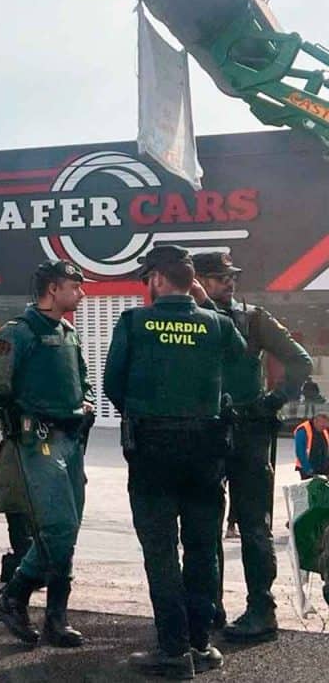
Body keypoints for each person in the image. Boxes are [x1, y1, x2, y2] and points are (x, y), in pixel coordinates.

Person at [105, 245, 246, 679]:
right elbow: (242, 367)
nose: (148, 285)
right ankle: (201, 644)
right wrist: (204, 306)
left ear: (159, 280)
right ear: (192, 283)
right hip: (206, 451)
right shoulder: (218, 325)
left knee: (161, 550)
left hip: (152, 452)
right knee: (204, 548)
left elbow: (113, 385)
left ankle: (173, 648)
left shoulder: (133, 322)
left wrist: (149, 412)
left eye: (149, 278)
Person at [192, 249, 313, 642]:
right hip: (206, 432)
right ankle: (208, 607)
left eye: (230, 277)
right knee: (203, 525)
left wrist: (274, 401)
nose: (228, 283)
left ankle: (262, 609)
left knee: (254, 527)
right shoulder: (188, 321)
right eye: (218, 277)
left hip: (248, 432)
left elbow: (300, 362)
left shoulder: (254, 318)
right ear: (198, 281)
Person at [0, 259, 93, 649]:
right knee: (58, 530)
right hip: (39, 441)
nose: (81, 293)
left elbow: (84, 380)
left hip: (71, 439)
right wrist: (21, 419)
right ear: (52, 289)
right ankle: (27, 603)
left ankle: (28, 607)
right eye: (75, 286)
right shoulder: (19, 332)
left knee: (68, 530)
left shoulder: (68, 333)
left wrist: (86, 403)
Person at [294, 413, 329, 480]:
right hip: (308, 467)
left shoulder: (324, 430)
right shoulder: (303, 430)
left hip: (323, 467)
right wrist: (308, 470)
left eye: (325, 426)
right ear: (315, 421)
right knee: (313, 488)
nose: (324, 428)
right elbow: (300, 452)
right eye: (322, 426)